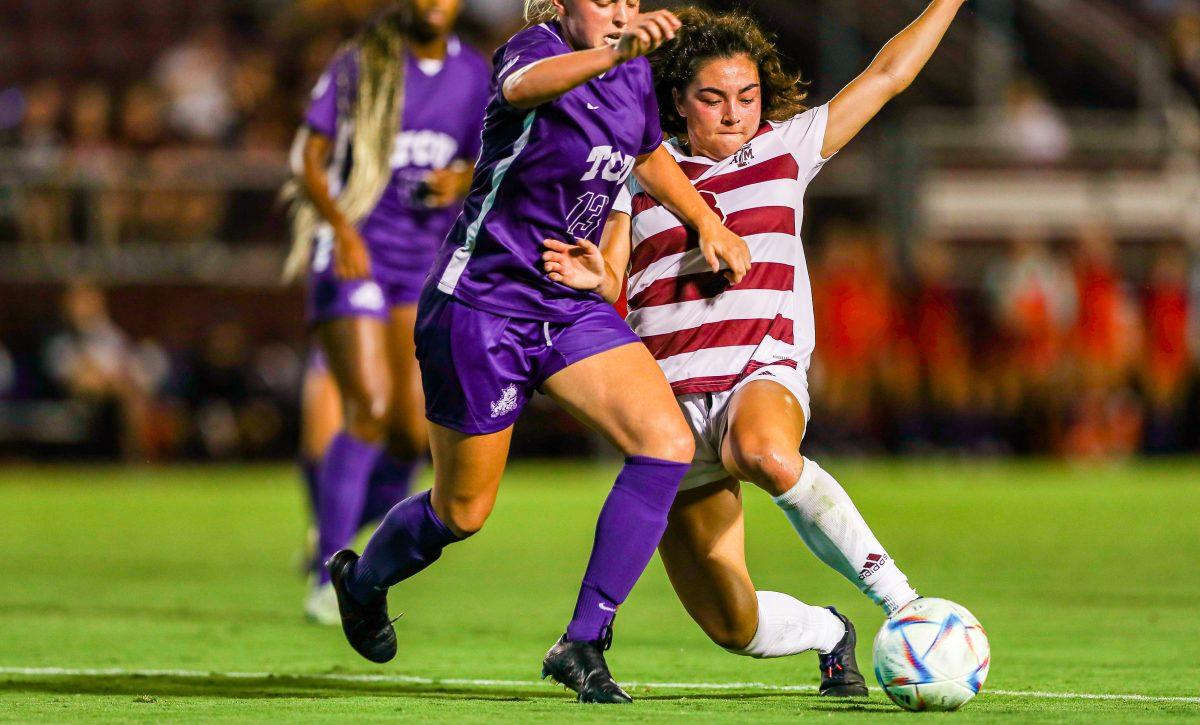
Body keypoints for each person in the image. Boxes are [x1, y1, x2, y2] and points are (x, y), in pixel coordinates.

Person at [325, 0, 751, 705]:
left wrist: (705, 219)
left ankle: (583, 640)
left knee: (666, 441)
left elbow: (647, 156)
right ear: (562, 4)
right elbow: (525, 89)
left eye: (628, 1)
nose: (619, 12)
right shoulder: (533, 49)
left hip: (566, 300)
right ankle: (361, 581)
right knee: (462, 511)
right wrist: (614, 55)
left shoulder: (632, 73)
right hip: (481, 305)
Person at [542, 1, 966, 696]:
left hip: (759, 368)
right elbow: (614, 270)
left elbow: (888, 75)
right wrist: (596, 276)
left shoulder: (787, 148)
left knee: (762, 451)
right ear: (677, 100)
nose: (735, 113)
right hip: (669, 414)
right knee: (730, 622)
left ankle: (903, 600)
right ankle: (831, 631)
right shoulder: (639, 171)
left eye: (747, 96)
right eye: (713, 98)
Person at [283, 0, 491, 624]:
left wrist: (462, 180)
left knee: (408, 431)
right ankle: (330, 570)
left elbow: (497, 158)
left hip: (422, 261)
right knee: (368, 408)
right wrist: (341, 227)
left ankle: (341, 529)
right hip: (355, 251)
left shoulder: (476, 75)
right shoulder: (364, 62)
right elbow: (306, 157)